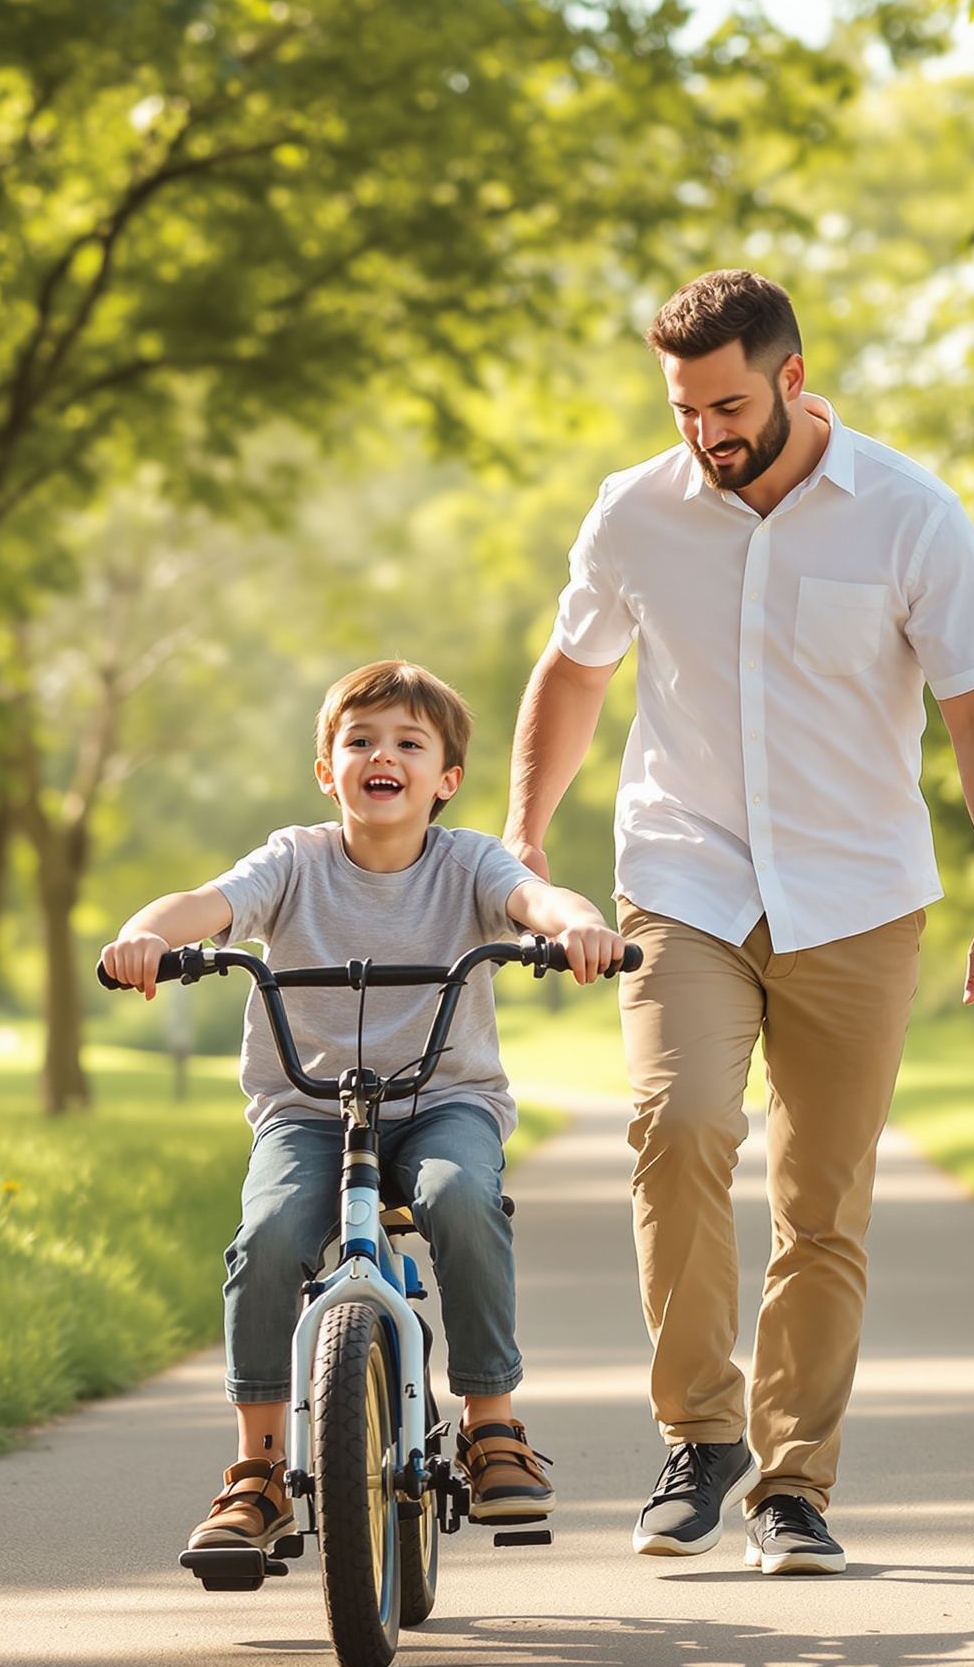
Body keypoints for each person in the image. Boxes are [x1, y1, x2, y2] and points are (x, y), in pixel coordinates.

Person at [503, 269, 974, 1576]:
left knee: (821, 1197)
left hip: (857, 895)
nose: (705, 431)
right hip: (684, 877)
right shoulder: (635, 513)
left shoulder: (910, 514)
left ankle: (795, 1483)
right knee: (677, 1126)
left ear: (794, 379)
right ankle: (701, 1435)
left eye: (728, 403)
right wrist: (522, 842)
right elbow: (575, 672)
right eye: (684, 407)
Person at [102, 659, 626, 1556]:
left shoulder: (467, 862)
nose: (383, 756)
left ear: (445, 780)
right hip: (309, 1110)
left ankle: (493, 1424)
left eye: (409, 744)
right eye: (361, 741)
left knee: (463, 1197)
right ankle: (258, 1471)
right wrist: (148, 933)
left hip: (440, 1101)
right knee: (267, 1236)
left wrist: (572, 924)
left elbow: (535, 896)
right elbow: (207, 901)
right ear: (327, 769)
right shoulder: (295, 861)